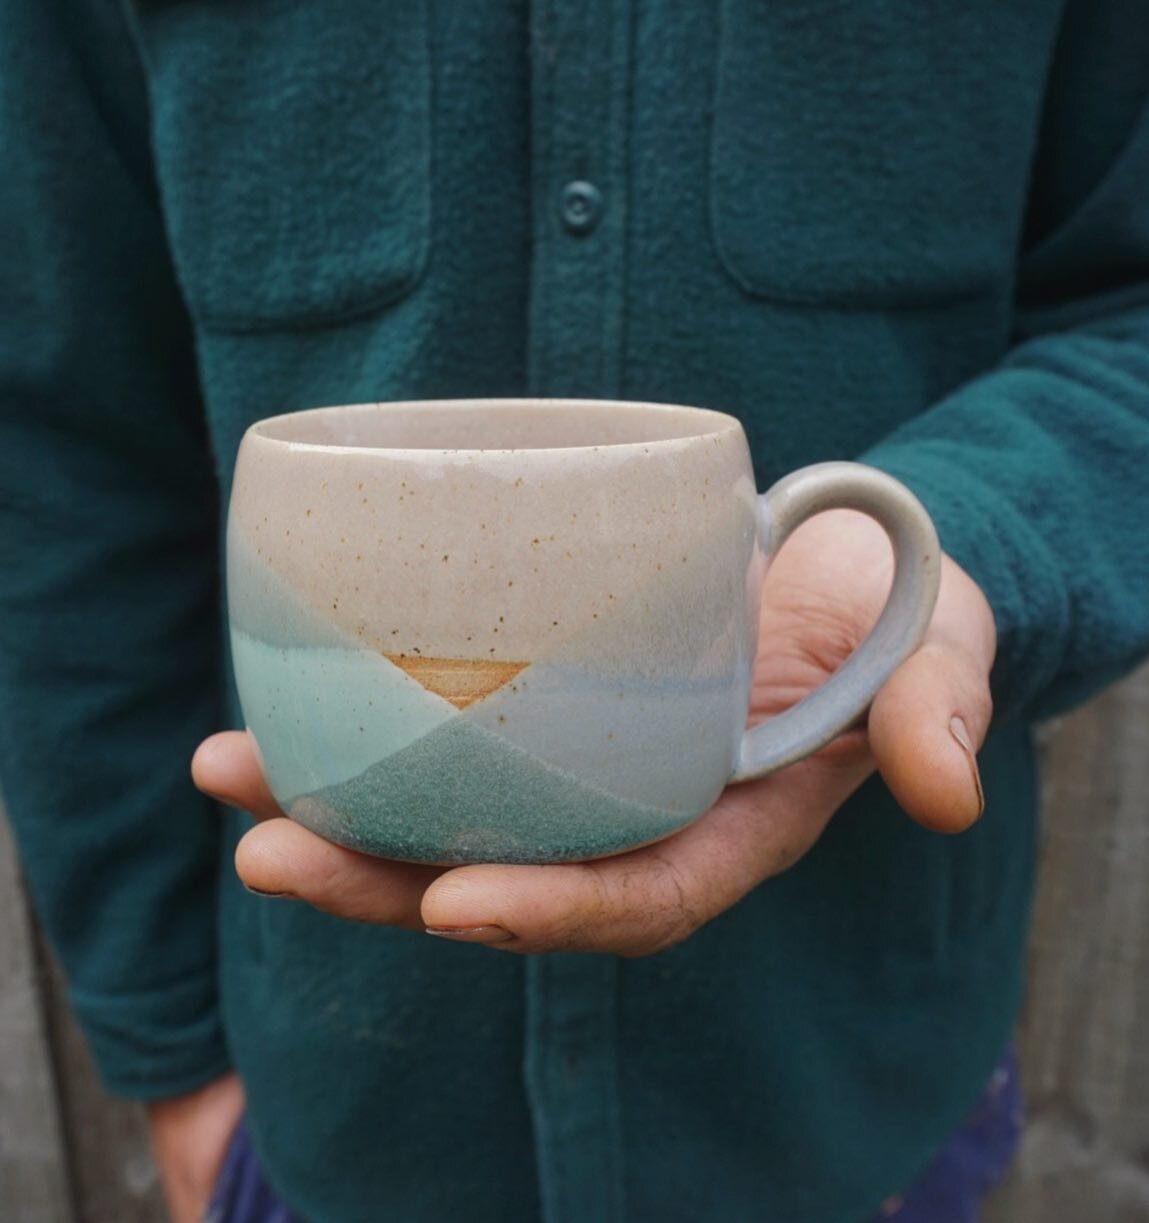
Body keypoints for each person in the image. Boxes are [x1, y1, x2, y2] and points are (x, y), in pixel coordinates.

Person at [1, 2, 1146, 1221]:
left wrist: (967, 535)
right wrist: (174, 1060)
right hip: (324, 1121)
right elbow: (66, 449)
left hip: (859, 1105)